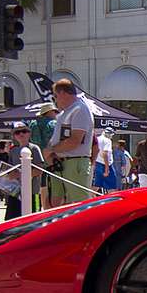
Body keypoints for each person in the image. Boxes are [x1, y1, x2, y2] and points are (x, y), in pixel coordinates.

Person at [44, 78, 94, 207]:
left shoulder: (80, 109)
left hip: (75, 162)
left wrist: (51, 150)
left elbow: (75, 141)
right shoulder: (65, 112)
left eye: (55, 96)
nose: (55, 100)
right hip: (60, 162)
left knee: (79, 205)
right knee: (54, 202)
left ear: (63, 93)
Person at [5, 123, 44, 220]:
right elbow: (10, 170)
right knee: (12, 220)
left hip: (32, 191)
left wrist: (22, 174)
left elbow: (39, 169)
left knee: (33, 219)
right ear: (14, 136)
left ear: (29, 133)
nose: (21, 134)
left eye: (24, 131)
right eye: (17, 132)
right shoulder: (13, 151)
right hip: (15, 192)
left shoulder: (34, 148)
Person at [29, 103, 57, 209]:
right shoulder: (53, 124)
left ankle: (38, 207)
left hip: (35, 157)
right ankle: (47, 208)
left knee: (38, 185)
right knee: (52, 185)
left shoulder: (33, 123)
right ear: (49, 112)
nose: (56, 114)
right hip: (51, 158)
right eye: (55, 111)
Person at [92, 127, 117, 193]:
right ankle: (112, 202)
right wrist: (107, 168)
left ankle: (89, 197)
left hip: (97, 163)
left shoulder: (97, 139)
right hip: (106, 164)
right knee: (112, 187)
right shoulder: (107, 140)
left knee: (97, 185)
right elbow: (105, 154)